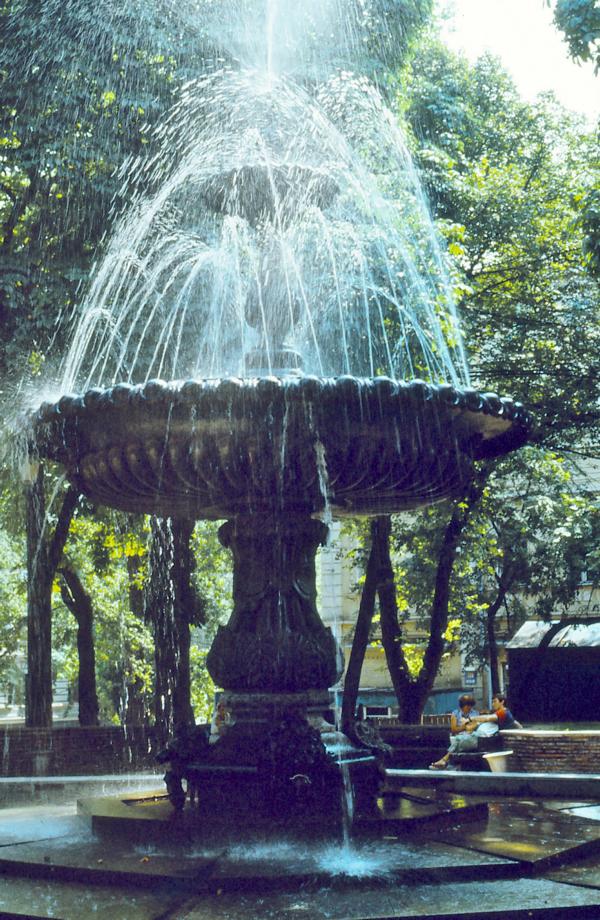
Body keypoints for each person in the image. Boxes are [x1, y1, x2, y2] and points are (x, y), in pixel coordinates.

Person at [429, 694, 480, 770]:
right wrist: (465, 727)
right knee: (458, 739)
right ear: (464, 706)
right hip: (460, 736)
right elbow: (454, 729)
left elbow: (474, 727)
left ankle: (444, 761)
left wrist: (465, 726)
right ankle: (448, 764)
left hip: (470, 736)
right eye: (468, 706)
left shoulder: (475, 713)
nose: (470, 708)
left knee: (457, 740)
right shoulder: (455, 714)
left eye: (471, 706)